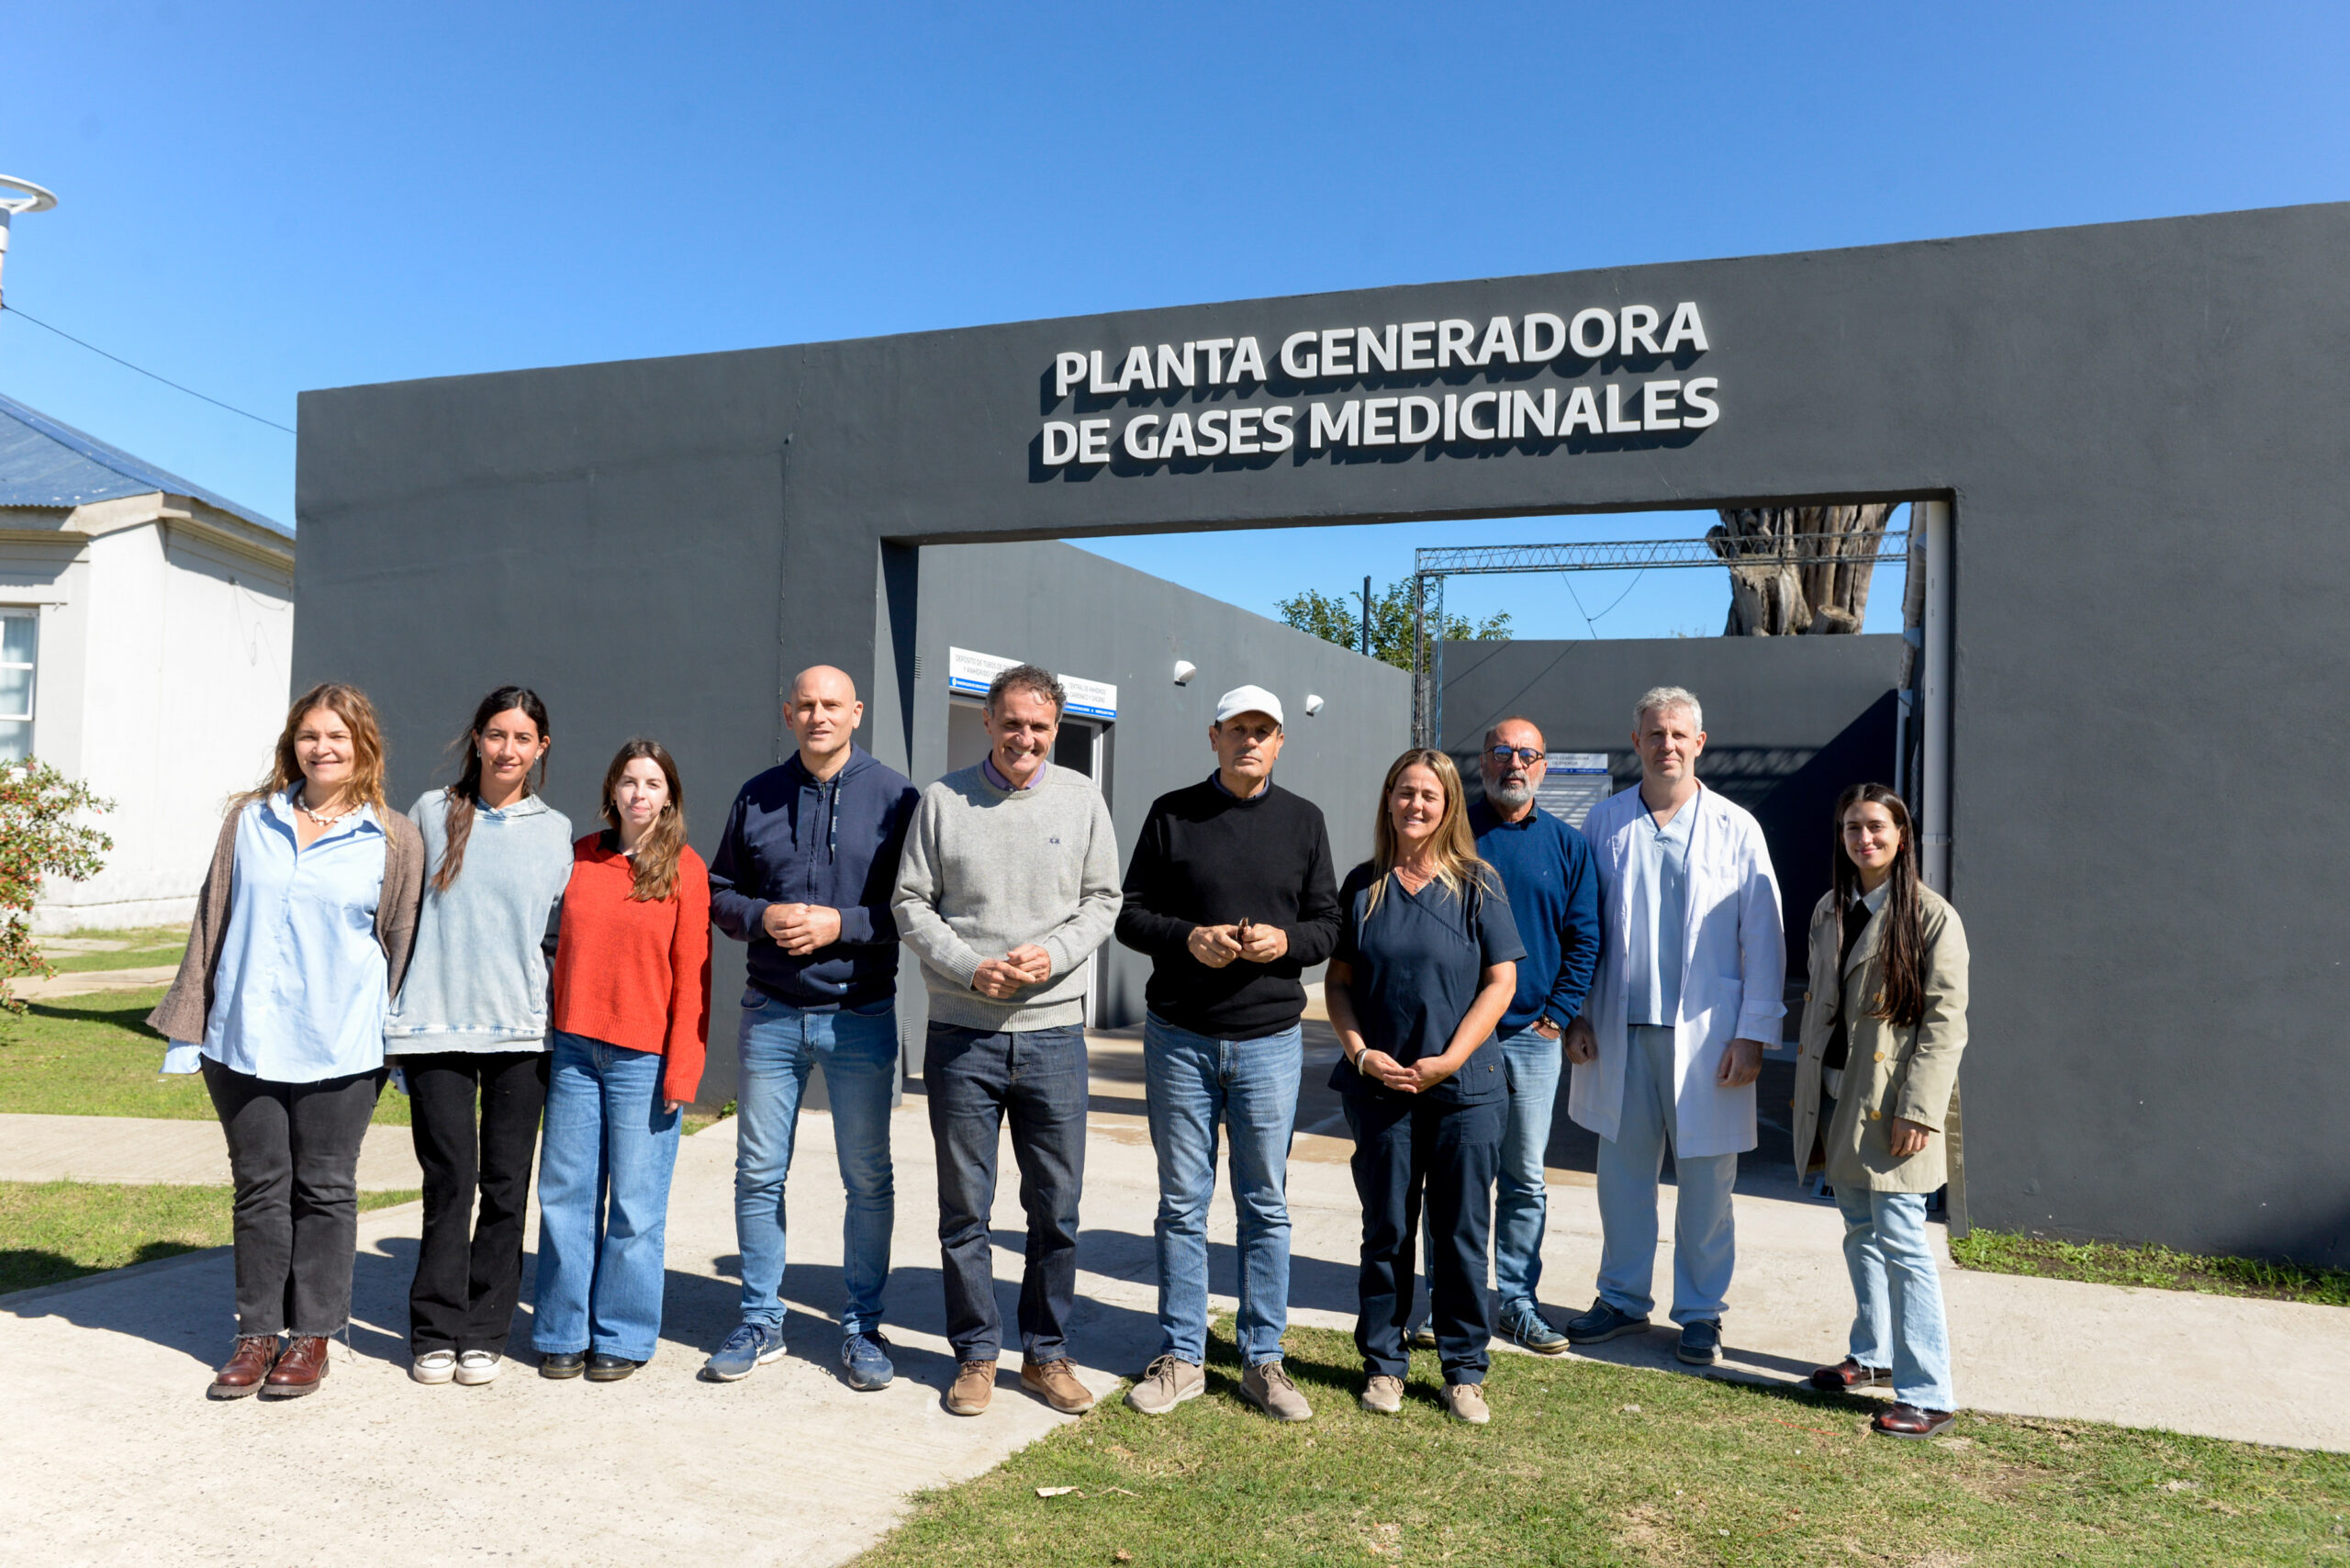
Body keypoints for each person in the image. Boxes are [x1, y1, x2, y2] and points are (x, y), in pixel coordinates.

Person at [150, 683, 426, 1400]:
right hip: (242, 1039)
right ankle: (256, 1334)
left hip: (340, 1045)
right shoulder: (250, 820)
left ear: (364, 746)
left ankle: (313, 1337)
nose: (323, 747)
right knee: (259, 1189)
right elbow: (212, 918)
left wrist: (395, 1046)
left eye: (338, 735)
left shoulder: (394, 836)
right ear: (292, 743)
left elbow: (401, 942)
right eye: (310, 735)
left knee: (326, 1189)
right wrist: (190, 1023)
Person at [891, 663, 1121, 1418]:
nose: (1026, 737)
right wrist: (968, 966)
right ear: (989, 722)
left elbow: (1102, 901)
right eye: (1013, 722)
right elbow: (911, 903)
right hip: (964, 1033)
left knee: (1056, 1207)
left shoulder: (1083, 799)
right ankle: (977, 1354)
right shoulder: (942, 801)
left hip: (1054, 1033)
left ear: (1056, 730)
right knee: (966, 1209)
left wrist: (1051, 958)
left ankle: (1046, 1354)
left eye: (1041, 726)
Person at [1115, 684, 1340, 1423]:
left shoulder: (1304, 821)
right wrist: (1189, 938)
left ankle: (1262, 1360)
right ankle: (1183, 1355)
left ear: (1281, 742)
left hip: (1271, 1041)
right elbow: (1131, 915)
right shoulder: (1171, 814)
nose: (1250, 740)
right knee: (1182, 1203)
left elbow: (1327, 924)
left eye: (1264, 730)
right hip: (1179, 1037)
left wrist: (1287, 945)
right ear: (1213, 736)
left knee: (1264, 1205)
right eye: (1237, 728)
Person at [703, 666, 920, 1390]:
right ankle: (762, 1319)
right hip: (771, 1013)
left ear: (856, 713)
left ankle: (862, 1324)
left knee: (867, 1178)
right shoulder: (757, 794)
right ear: (788, 713)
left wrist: (842, 923)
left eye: (832, 704)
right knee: (760, 1174)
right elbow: (719, 891)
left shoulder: (896, 796)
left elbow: (915, 909)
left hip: (860, 1014)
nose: (818, 715)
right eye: (806, 705)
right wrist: (762, 916)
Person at [1563, 686, 1785, 1366]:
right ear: (1637, 743)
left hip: (1708, 1041)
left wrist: (1752, 1033)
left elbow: (1764, 936)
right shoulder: (1604, 823)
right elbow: (1583, 928)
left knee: (1706, 1186)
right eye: (1655, 734)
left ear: (1699, 744)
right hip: (1619, 1031)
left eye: (1679, 735)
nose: (1667, 745)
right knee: (1621, 1179)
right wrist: (1574, 1013)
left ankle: (1699, 1313)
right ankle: (1623, 1298)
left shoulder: (1736, 827)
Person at [1326, 748, 1523, 1426]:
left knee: (1462, 1233)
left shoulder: (1478, 884)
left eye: (1429, 796)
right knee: (1385, 1230)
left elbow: (1503, 982)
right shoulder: (1363, 886)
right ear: (1388, 801)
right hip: (1381, 1089)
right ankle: (1383, 1364)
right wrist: (1359, 1054)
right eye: (1405, 792)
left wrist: (1449, 1058)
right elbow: (1339, 984)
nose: (1416, 805)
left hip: (1464, 1088)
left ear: (1448, 808)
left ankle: (1464, 1371)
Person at [385, 687, 573, 1388]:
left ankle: (485, 1330)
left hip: (522, 1035)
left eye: (522, 738)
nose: (507, 749)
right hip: (434, 1027)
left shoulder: (555, 831)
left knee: (505, 1187)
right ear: (477, 739)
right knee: (448, 1184)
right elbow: (397, 912)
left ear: (540, 749)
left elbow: (557, 938)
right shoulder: (432, 813)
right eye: (497, 735)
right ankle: (433, 1331)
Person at [532, 739, 711, 1383]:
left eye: (653, 783)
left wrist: (683, 1066)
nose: (640, 793)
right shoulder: (579, 857)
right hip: (575, 1048)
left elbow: (693, 977)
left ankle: (623, 1334)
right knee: (565, 1197)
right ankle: (560, 1329)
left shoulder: (685, 869)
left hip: (645, 1058)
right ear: (612, 791)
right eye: (629, 781)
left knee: (635, 1206)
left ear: (669, 796)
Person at [1795, 783, 1969, 1439]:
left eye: (1875, 827)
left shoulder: (1930, 916)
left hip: (1893, 1108)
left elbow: (1945, 1025)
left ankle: (1929, 1391)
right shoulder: (1830, 910)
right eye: (1851, 828)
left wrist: (1919, 1110)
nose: (1863, 839)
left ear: (1901, 835)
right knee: (1859, 1232)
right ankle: (1873, 1357)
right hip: (1837, 1099)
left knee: (1902, 1243)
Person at [1462, 718, 1601, 1354]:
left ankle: (1515, 1301)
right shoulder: (1452, 833)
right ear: (1483, 761)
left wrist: (1557, 1016)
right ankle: (1454, 1299)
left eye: (1527, 754)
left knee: (1522, 1179)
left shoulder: (1570, 849)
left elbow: (1585, 940)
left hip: (1529, 1040)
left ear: (1543, 767)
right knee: (1457, 1175)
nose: (1513, 763)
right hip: (1459, 1038)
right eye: (1501, 753)